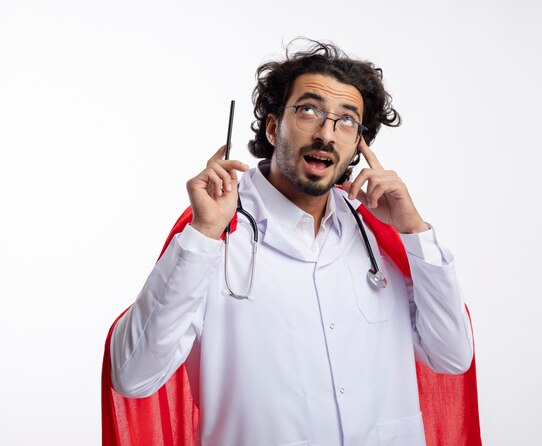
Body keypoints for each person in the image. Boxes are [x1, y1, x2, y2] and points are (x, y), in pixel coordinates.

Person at [109, 39, 475, 446]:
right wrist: (203, 234)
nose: (326, 133)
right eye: (309, 110)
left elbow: (452, 355)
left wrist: (414, 230)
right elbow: (132, 376)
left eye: (347, 121)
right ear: (271, 126)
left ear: (358, 144)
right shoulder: (217, 238)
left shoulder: (380, 236)